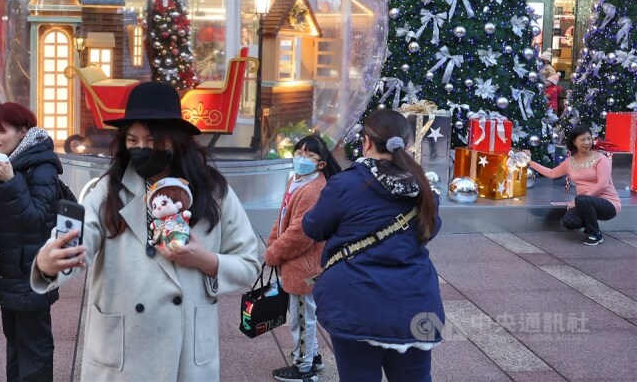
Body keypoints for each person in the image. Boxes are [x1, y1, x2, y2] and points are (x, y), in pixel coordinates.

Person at [32, 81, 260, 381]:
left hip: (186, 359)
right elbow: (80, 239)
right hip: (123, 354)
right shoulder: (109, 189)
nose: (142, 149)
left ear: (175, 140)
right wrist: (48, 264)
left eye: (152, 139)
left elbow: (249, 264)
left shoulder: (213, 191)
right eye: (132, 139)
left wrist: (205, 260)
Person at [302, 109, 443, 382]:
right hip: (418, 303)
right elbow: (429, 231)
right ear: (408, 143)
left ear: (366, 142)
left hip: (355, 304)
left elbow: (313, 228)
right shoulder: (424, 186)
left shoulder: (344, 184)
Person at [0, 102, 61, 382]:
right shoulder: (10, 162)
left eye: (1, 130)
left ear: (23, 131)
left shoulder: (41, 166)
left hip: (32, 275)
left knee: (35, 349)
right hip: (11, 274)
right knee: (16, 346)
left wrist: (11, 180)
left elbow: (36, 219)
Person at [266, 135, 341, 382]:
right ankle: (313, 357)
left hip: (305, 266)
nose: (302, 159)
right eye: (299, 153)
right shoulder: (296, 180)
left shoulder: (314, 189)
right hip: (297, 262)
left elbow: (301, 233)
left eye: (310, 156)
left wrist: (274, 253)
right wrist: (272, 242)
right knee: (303, 314)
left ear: (321, 164)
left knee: (302, 317)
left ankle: (304, 367)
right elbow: (283, 215)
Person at [528, 124, 620, 246]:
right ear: (574, 142)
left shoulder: (601, 159)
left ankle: (595, 234)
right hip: (584, 203)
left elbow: (602, 185)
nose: (587, 142)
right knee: (569, 222)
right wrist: (530, 162)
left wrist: (578, 201)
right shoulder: (569, 162)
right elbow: (551, 173)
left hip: (608, 204)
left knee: (582, 199)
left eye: (589, 139)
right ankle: (589, 224)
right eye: (583, 139)